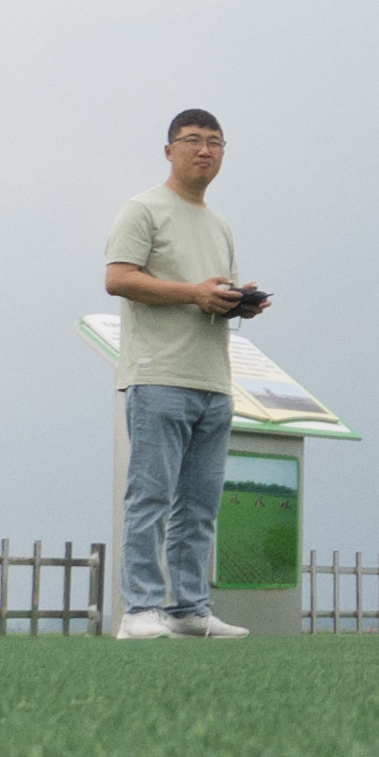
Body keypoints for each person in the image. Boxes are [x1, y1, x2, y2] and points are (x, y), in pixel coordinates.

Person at [103, 108, 270, 640]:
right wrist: (194, 292)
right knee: (150, 498)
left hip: (214, 381)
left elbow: (211, 292)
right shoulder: (143, 209)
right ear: (169, 150)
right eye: (193, 140)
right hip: (158, 375)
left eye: (216, 142)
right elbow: (118, 279)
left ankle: (190, 608)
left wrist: (233, 304)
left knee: (200, 506)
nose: (205, 150)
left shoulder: (220, 226)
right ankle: (141, 610)